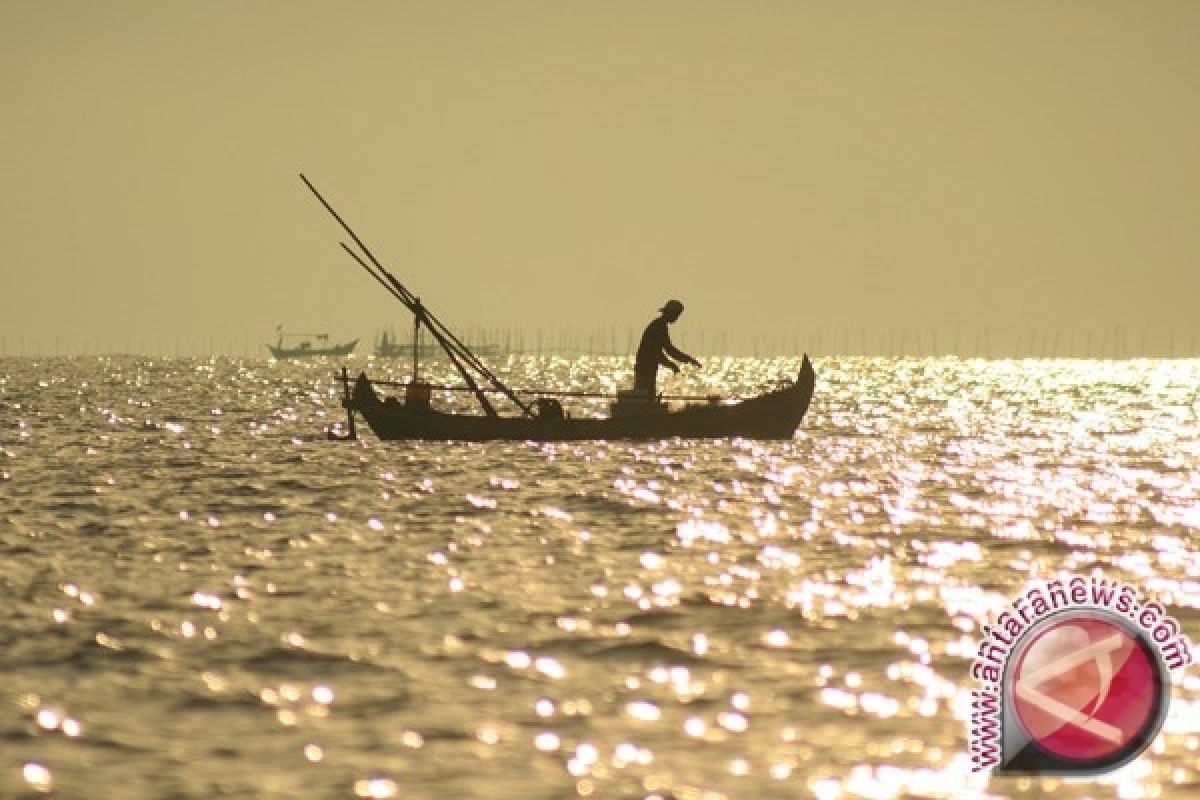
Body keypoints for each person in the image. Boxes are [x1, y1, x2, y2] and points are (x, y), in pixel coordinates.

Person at [633, 299, 701, 395]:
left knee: (646, 393)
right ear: (671, 313)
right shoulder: (659, 326)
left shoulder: (659, 324)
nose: (677, 318)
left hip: (647, 364)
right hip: (646, 365)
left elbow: (662, 351)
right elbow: (666, 350)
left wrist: (674, 364)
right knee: (644, 393)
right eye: (676, 315)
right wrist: (686, 360)